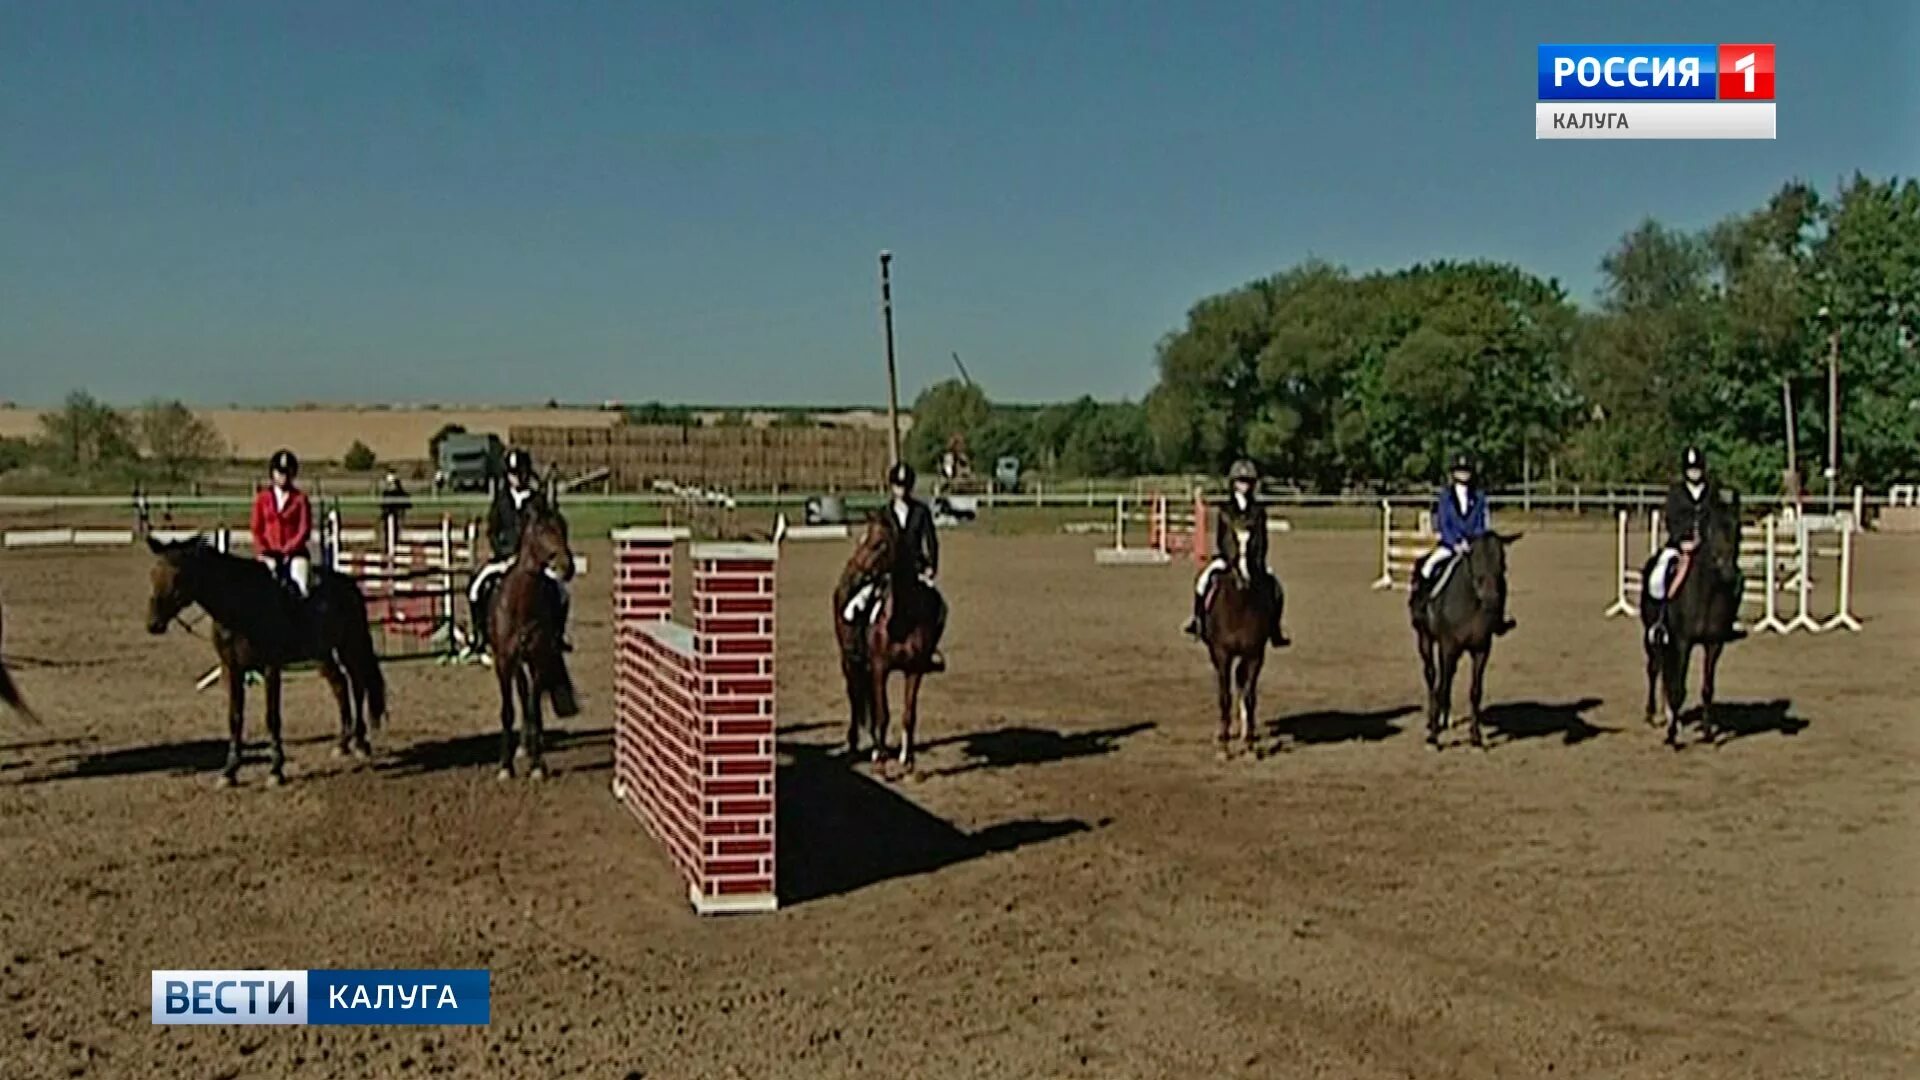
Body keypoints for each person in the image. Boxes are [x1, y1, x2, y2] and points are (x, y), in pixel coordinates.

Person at [465, 449, 569, 657]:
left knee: (562, 593)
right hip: (505, 558)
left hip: (533, 561)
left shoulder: (537, 501)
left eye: (520, 472)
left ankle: (557, 635)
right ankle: (480, 635)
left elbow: (548, 529)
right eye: (513, 473)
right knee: (475, 588)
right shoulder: (501, 500)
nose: (517, 477)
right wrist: (504, 551)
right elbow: (493, 530)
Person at [841, 462, 944, 667]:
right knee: (857, 606)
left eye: (905, 486)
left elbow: (930, 540)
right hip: (886, 570)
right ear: (892, 487)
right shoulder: (884, 513)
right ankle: (860, 647)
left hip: (915, 570)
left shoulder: (921, 512)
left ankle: (929, 650)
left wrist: (931, 565)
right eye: (898, 486)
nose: (901, 491)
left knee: (940, 608)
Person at [1184, 459, 1288, 644]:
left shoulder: (1258, 511)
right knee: (1202, 581)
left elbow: (1261, 539)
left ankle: (1274, 629)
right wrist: (1229, 557)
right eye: (1241, 481)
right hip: (1228, 557)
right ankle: (1198, 621)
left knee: (1276, 588)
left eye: (1247, 482)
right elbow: (1221, 538)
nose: (1244, 485)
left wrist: (1256, 559)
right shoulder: (1225, 510)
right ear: (1233, 483)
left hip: (1253, 560)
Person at [1412, 453, 1515, 634]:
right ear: (1453, 473)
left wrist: (1475, 541)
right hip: (1450, 545)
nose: (1463, 474)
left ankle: (1498, 619)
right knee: (1426, 567)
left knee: (1494, 574)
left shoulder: (1480, 497)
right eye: (1460, 471)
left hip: (1475, 546)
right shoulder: (1445, 497)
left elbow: (1483, 523)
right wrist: (1455, 543)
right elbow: (1444, 523)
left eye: (1466, 471)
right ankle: (1421, 609)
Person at [1646, 446, 1722, 643]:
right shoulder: (1676, 492)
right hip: (1679, 546)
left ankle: (1726, 618)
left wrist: (1707, 539)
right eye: (1690, 470)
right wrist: (1682, 541)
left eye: (1697, 469)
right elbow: (1671, 519)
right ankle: (1660, 620)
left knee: (1729, 576)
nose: (1694, 473)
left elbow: (1716, 517)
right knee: (1658, 576)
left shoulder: (1711, 491)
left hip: (1706, 546)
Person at [250, 449, 313, 599]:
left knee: (301, 583)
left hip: (294, 554)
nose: (283, 477)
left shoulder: (300, 499)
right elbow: (256, 528)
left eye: (287, 473)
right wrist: (264, 550)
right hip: (268, 554)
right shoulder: (262, 499)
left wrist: (288, 550)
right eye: (280, 472)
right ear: (273, 473)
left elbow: (304, 529)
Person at [378, 471, 412, 540]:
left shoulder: (400, 492)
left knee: (394, 527)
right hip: (389, 516)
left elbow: (407, 505)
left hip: (396, 515)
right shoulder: (386, 492)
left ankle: (393, 541)